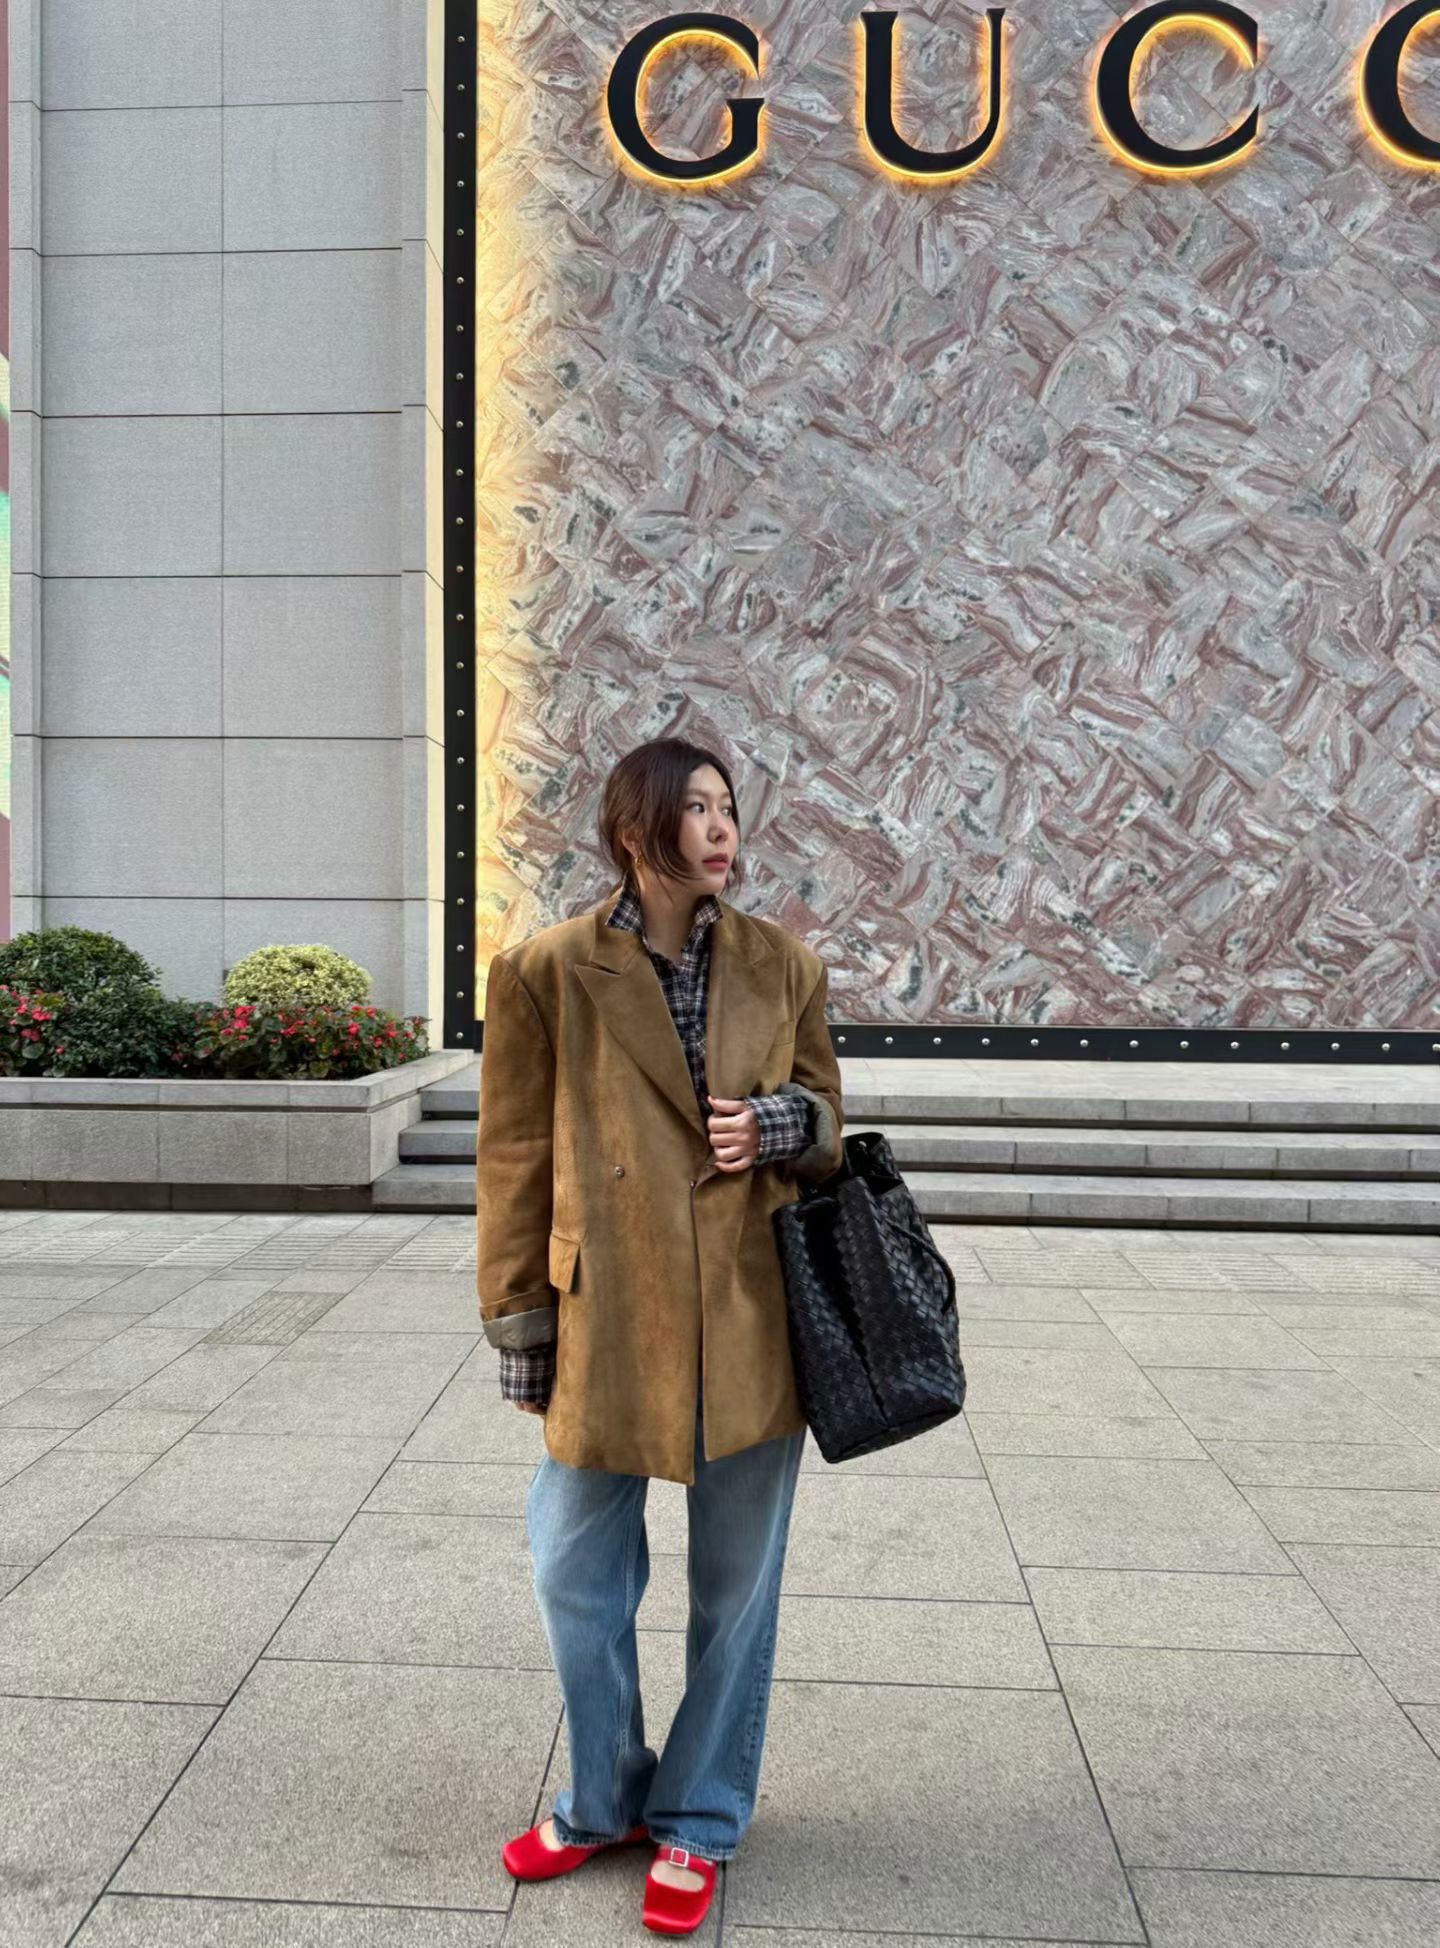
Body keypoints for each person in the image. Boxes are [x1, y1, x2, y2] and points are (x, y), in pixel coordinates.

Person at [474, 735, 845, 1934]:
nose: (722, 826)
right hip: (607, 1316)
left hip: (747, 1316)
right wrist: (520, 1321)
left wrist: (779, 1124)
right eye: (696, 807)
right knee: (572, 1567)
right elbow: (514, 1156)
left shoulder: (784, 965)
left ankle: (698, 1814)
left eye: (728, 805)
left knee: (737, 1590)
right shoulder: (544, 971)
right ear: (636, 830)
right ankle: (601, 1798)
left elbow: (830, 1119)